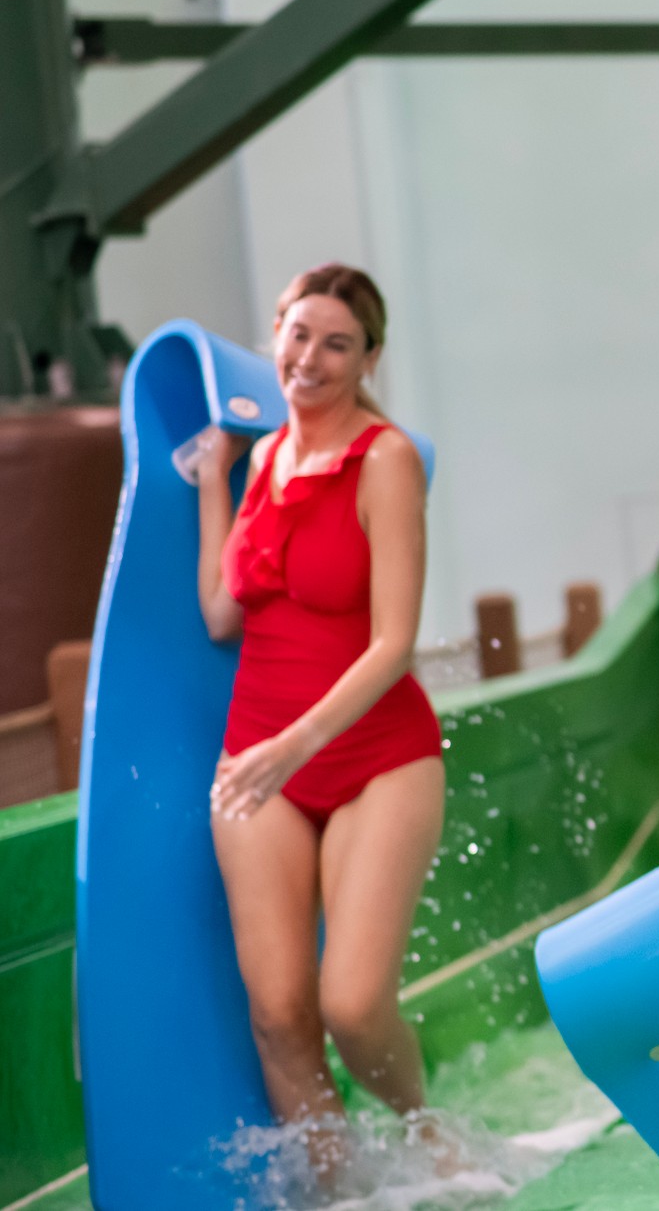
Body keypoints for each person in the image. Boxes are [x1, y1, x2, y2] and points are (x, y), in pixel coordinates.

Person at [193, 264, 445, 1164]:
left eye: (336, 342)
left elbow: (395, 643)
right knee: (280, 1015)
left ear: (368, 356)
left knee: (350, 1001)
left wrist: (288, 747)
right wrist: (216, 479)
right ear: (276, 336)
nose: (310, 358)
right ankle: (341, 1189)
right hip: (260, 768)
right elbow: (224, 612)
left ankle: (428, 1135)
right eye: (298, 335)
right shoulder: (264, 460)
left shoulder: (387, 458)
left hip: (375, 758)